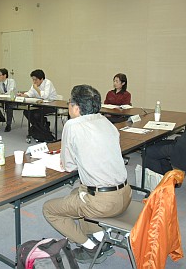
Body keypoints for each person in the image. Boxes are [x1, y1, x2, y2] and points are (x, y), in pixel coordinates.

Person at [42, 84, 131, 265]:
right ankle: (100, 238)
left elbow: (68, 165)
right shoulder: (106, 122)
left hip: (102, 202)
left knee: (50, 209)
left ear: (76, 107)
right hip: (125, 194)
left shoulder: (72, 125)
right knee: (76, 193)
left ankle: (90, 247)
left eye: (69, 103)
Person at [18, 69, 57, 134]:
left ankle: (42, 127)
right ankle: (38, 127)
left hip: (51, 105)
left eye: (35, 79)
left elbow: (45, 96)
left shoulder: (48, 83)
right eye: (33, 79)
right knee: (26, 112)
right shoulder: (34, 84)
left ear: (41, 79)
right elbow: (30, 93)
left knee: (37, 114)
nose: (34, 81)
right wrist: (22, 95)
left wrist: (37, 89)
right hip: (39, 104)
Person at [0, 68, 16, 132]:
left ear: (5, 75)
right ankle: (1, 117)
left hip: (12, 100)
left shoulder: (11, 81)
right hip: (3, 99)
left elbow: (10, 92)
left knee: (8, 106)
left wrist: (1, 95)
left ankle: (8, 124)